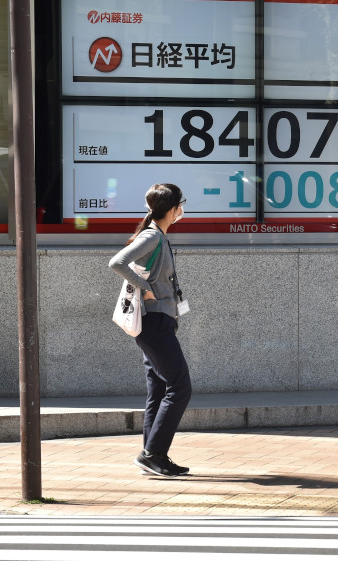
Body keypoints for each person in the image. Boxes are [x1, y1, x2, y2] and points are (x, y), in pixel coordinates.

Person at [109, 183, 192, 476]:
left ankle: (154, 456)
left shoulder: (158, 236)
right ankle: (153, 453)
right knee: (180, 385)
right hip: (154, 321)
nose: (182, 210)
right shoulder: (152, 236)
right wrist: (146, 290)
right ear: (172, 209)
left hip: (158, 320)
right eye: (180, 204)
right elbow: (117, 262)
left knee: (159, 387)